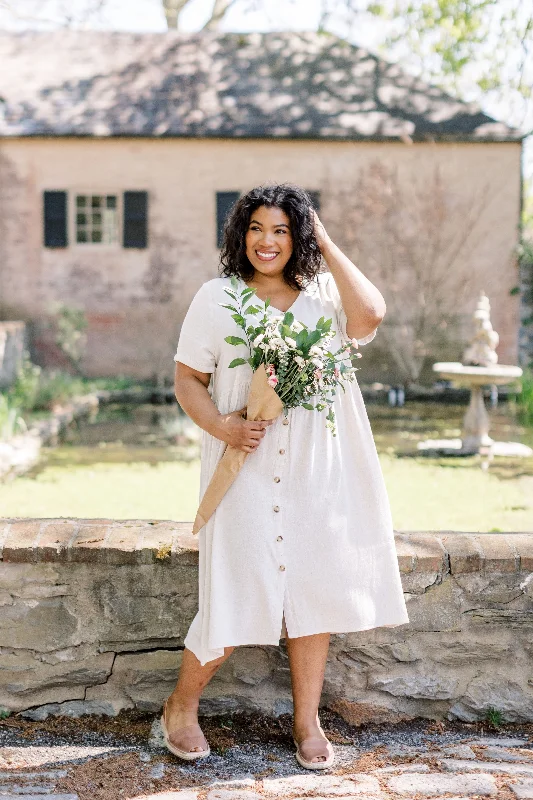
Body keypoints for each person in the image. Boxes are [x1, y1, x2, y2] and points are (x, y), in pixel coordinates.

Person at [165, 183, 409, 769]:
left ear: (298, 235)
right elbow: (186, 381)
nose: (266, 241)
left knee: (313, 593)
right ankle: (181, 707)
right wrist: (224, 426)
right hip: (242, 469)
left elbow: (371, 314)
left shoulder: (324, 294)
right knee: (230, 589)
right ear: (239, 236)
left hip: (316, 471)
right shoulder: (217, 298)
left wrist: (323, 240)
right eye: (255, 229)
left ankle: (307, 722)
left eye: (281, 229)